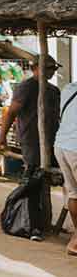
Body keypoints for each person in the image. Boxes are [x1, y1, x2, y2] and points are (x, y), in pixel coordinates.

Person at [0, 64, 61, 174]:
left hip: (52, 139)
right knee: (33, 174)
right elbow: (11, 112)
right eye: (48, 68)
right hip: (31, 139)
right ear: (35, 68)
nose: (51, 71)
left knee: (50, 174)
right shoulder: (26, 87)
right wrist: (2, 136)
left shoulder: (54, 90)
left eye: (53, 69)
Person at [56, 78, 77, 256]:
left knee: (74, 193)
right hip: (76, 147)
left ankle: (76, 240)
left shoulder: (69, 89)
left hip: (61, 146)